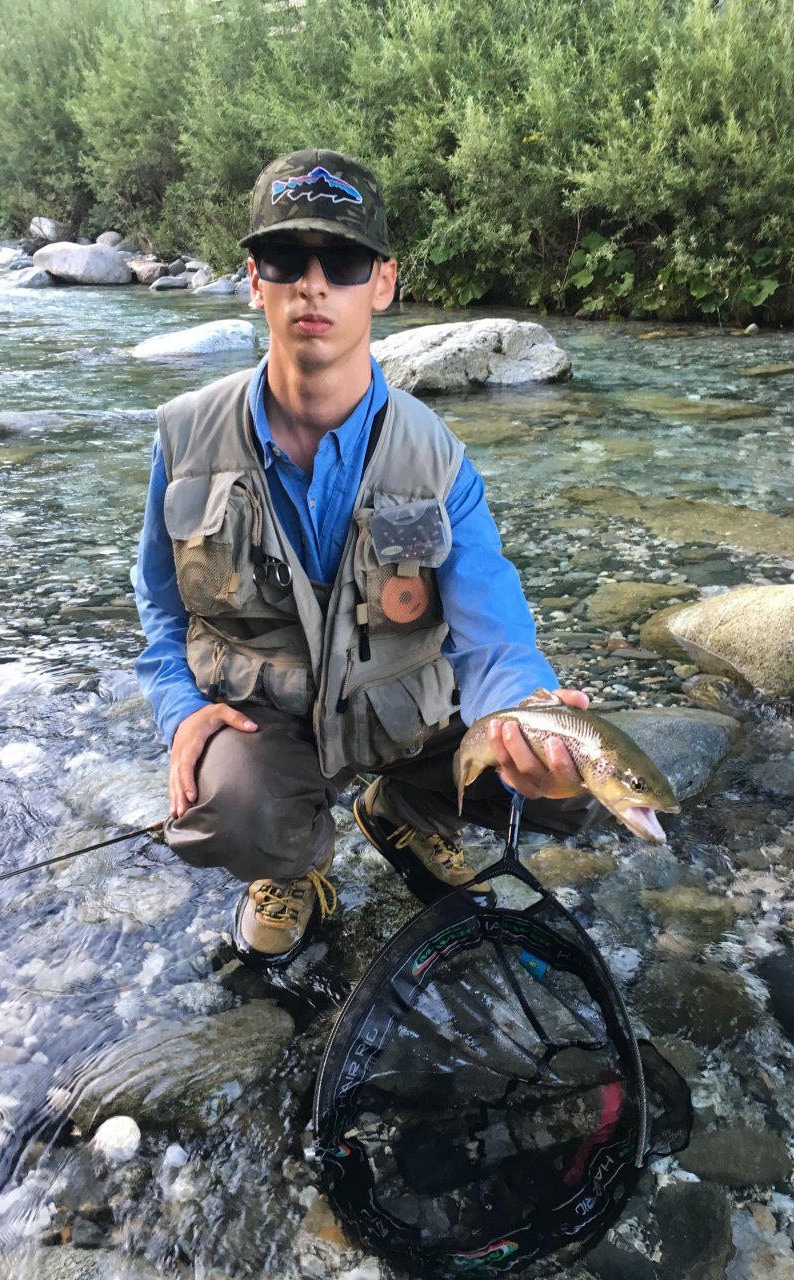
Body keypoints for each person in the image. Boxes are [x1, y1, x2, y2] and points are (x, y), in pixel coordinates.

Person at [133, 148, 598, 964]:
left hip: (402, 717)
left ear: (382, 283)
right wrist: (179, 713)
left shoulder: (438, 458)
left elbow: (492, 631)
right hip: (270, 718)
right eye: (287, 258)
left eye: (343, 261)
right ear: (255, 280)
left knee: (572, 782)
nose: (313, 285)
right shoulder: (185, 435)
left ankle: (407, 813)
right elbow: (160, 606)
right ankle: (293, 865)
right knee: (228, 804)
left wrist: (531, 714)